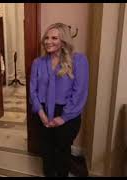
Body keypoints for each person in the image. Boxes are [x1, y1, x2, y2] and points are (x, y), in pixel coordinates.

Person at [30, 23, 89, 177]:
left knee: (62, 151)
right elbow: (33, 90)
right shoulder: (38, 62)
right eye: (46, 38)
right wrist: (41, 112)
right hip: (42, 111)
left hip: (67, 113)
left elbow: (79, 93)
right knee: (46, 149)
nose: (48, 41)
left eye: (54, 38)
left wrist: (63, 117)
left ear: (63, 40)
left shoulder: (79, 60)